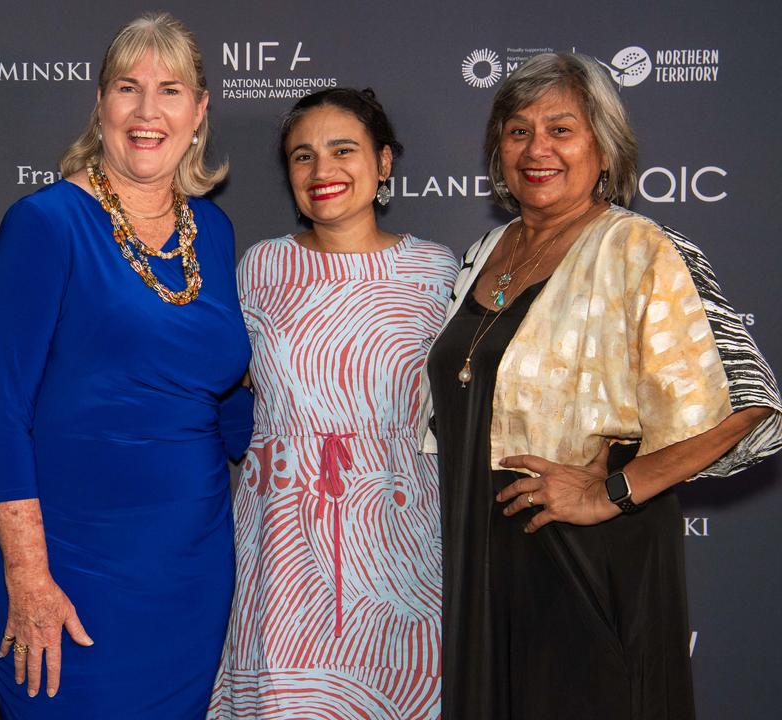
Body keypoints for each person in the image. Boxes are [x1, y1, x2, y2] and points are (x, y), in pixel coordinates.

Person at [420, 52, 782, 719]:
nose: (537, 148)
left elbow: (750, 404)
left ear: (606, 151)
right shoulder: (483, 255)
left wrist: (612, 489)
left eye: (562, 129)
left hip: (588, 569)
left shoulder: (639, 248)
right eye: (518, 129)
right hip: (485, 567)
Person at [0, 12, 250, 719]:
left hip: (188, 564)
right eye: (128, 88)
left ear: (199, 110)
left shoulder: (212, 231)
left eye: (171, 89)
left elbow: (220, 400)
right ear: (101, 104)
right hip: (67, 565)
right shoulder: (47, 223)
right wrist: (28, 576)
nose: (148, 111)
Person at [207, 88, 455, 719]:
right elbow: (228, 394)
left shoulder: (438, 271)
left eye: (343, 150)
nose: (323, 172)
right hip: (285, 551)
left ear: (385, 161)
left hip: (405, 551)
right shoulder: (259, 268)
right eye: (302, 156)